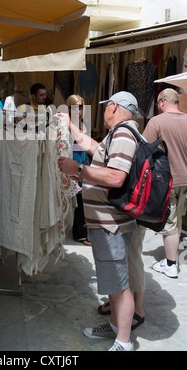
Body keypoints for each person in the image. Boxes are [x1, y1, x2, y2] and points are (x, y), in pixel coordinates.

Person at [57, 91, 140, 351]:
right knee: (113, 284)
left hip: (111, 223)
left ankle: (123, 342)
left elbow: (116, 177)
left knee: (119, 285)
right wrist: (70, 126)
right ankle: (115, 328)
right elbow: (96, 149)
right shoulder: (119, 133)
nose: (103, 110)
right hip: (106, 223)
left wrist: (78, 170)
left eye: (106, 107)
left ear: (114, 107)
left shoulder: (124, 134)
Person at [143, 88, 187, 278]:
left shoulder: (156, 121)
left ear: (162, 102)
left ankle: (170, 264)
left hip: (166, 180)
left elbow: (144, 147)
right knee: (177, 220)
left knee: (169, 222)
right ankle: (172, 258)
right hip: (185, 178)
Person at [66, 94, 91, 246]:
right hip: (71, 163)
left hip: (82, 163)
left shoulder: (84, 123)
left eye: (80, 106)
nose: (78, 110)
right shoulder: (66, 124)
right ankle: (77, 232)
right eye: (74, 107)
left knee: (82, 200)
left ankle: (80, 233)